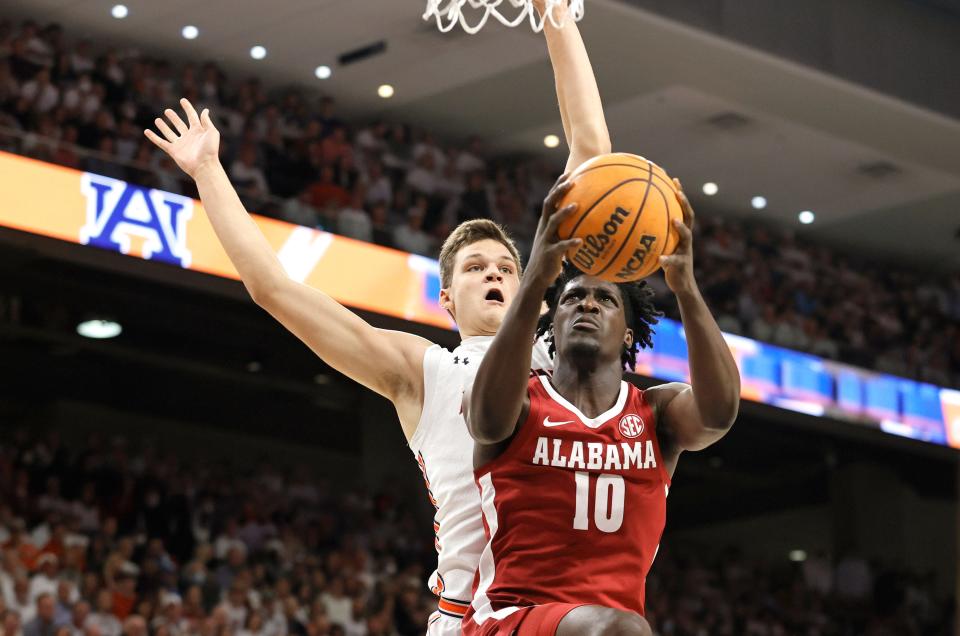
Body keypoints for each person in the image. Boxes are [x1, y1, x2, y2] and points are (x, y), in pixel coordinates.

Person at [460, 176, 740, 635]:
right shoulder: (519, 399)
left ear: (628, 333)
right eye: (571, 298)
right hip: (508, 620)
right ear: (555, 322)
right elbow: (487, 422)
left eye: (605, 299)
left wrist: (686, 288)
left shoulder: (656, 414)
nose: (587, 304)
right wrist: (536, 280)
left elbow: (720, 413)